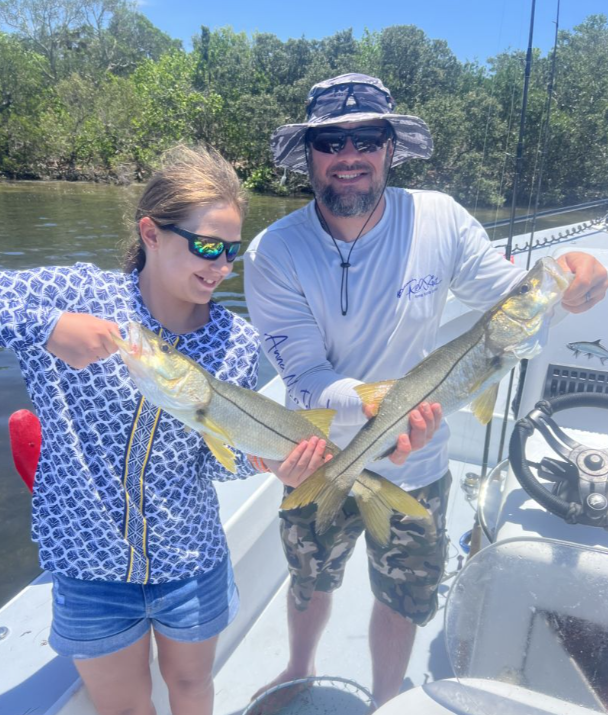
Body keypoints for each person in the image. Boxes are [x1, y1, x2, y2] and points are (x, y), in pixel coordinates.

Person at [244, 73, 608, 708]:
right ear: (310, 155)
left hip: (424, 459)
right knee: (309, 580)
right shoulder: (273, 251)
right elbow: (302, 375)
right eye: (331, 140)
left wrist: (570, 277)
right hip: (319, 455)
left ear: (390, 148)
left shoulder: (439, 217)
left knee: (403, 595)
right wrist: (385, 406)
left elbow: (508, 296)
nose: (349, 156)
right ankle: (298, 664)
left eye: (368, 137)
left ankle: (388, 698)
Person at [0, 144, 329, 715]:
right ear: (150, 233)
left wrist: (264, 461)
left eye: (232, 251)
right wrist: (47, 325)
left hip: (190, 559)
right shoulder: (77, 295)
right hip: (87, 563)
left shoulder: (236, 342)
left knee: (193, 689)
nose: (221, 267)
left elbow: (210, 462)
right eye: (206, 245)